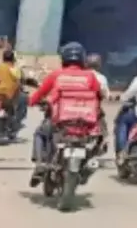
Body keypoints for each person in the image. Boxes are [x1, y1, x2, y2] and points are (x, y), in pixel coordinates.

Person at [27, 42, 103, 186]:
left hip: (60, 122)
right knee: (94, 140)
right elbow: (99, 96)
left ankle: (41, 163)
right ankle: (87, 165)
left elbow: (39, 94)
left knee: (40, 134)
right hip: (84, 124)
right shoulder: (90, 76)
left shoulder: (56, 75)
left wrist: (31, 101)